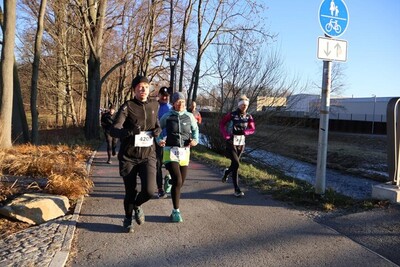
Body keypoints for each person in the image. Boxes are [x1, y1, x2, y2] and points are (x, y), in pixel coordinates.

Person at [110, 75, 161, 233]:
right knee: (130, 191)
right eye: (139, 87)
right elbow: (113, 130)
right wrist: (130, 131)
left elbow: (156, 124)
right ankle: (127, 218)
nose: (143, 89)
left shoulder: (154, 104)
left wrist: (158, 130)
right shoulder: (128, 106)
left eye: (146, 86)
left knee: (150, 190)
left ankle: (138, 205)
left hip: (148, 155)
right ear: (134, 90)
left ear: (149, 88)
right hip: (129, 157)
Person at [158, 92, 199, 222]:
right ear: (174, 103)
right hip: (170, 151)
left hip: (184, 152)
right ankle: (176, 211)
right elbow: (158, 129)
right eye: (178, 102)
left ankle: (168, 181)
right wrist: (159, 139)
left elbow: (195, 130)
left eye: (182, 102)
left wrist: (195, 140)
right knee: (178, 180)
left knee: (180, 182)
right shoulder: (167, 116)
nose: (180, 104)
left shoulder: (189, 116)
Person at [219, 95, 255, 197]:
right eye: (242, 105)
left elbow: (252, 129)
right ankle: (236, 189)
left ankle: (227, 172)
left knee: (235, 165)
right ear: (239, 105)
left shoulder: (249, 116)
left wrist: (246, 132)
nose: (244, 107)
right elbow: (221, 124)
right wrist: (226, 135)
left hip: (241, 143)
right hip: (231, 141)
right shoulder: (231, 115)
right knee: (236, 164)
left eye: (246, 105)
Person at [156, 86, 172, 198]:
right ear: (159, 95)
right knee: (158, 165)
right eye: (163, 95)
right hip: (157, 140)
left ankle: (169, 179)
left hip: (170, 141)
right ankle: (160, 188)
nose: (165, 97)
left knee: (171, 165)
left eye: (167, 95)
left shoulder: (172, 108)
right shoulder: (154, 107)